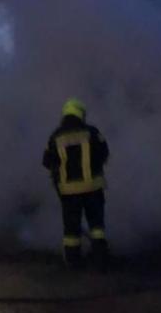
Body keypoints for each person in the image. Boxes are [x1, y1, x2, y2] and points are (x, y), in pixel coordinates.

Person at [42, 98, 110, 270]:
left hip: (69, 192)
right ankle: (101, 259)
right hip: (93, 188)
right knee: (96, 227)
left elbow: (46, 161)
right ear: (81, 114)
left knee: (71, 229)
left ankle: (73, 263)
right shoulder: (92, 132)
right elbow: (104, 152)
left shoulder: (56, 136)